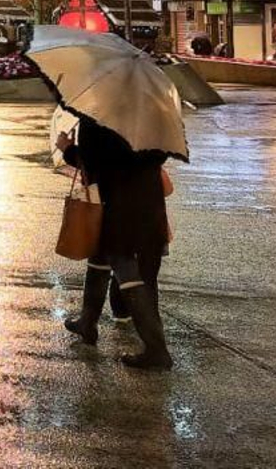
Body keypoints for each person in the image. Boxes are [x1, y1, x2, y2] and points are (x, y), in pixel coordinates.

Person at [58, 118, 173, 370]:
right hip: (149, 200)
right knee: (101, 256)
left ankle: (157, 349)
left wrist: (67, 149)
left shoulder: (98, 115)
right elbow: (162, 153)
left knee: (126, 268)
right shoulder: (152, 109)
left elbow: (92, 161)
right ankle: (87, 322)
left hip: (118, 203)